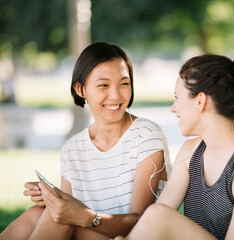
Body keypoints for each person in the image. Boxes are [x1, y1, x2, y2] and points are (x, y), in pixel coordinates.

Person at [0, 42, 172, 240]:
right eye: (103, 85)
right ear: (80, 89)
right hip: (90, 232)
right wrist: (56, 200)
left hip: (131, 237)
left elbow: (142, 224)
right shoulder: (72, 149)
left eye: (124, 83)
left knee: (58, 218)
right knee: (37, 213)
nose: (115, 95)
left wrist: (86, 217)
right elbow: (72, 211)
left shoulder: (146, 135)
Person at [115, 54, 234, 240]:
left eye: (177, 98)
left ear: (200, 101)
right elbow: (154, 221)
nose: (173, 108)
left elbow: (158, 218)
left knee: (158, 215)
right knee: (156, 214)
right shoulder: (190, 152)